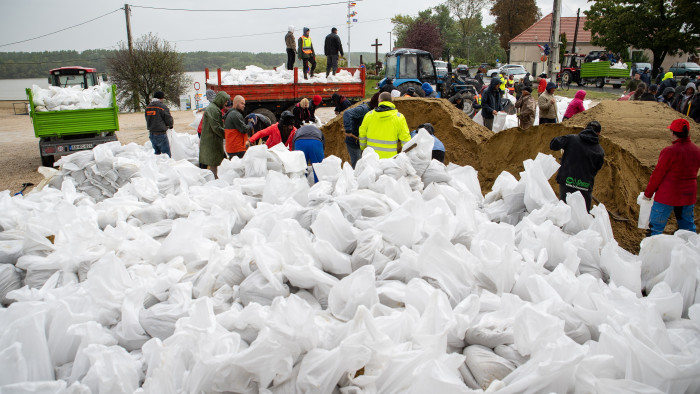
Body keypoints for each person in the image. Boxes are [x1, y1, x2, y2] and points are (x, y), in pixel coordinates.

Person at [643, 119, 700, 236]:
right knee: (688, 228)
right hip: (688, 195)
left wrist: (648, 194)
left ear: (673, 133)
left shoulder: (669, 152)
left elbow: (657, 175)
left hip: (667, 195)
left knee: (656, 228)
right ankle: (691, 251)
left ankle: (653, 252)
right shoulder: (697, 151)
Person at [550, 121, 605, 211]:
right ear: (598, 133)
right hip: (584, 185)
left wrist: (563, 141)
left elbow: (553, 144)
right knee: (582, 215)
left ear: (585, 128)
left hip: (567, 182)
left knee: (564, 212)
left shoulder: (572, 139)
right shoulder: (599, 151)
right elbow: (597, 168)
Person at [359, 91, 411, 159]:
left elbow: (362, 134)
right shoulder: (399, 117)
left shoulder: (369, 115)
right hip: (390, 159)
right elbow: (405, 138)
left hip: (371, 158)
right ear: (391, 102)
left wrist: (363, 147)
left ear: (380, 100)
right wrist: (407, 155)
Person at [199, 91, 230, 179]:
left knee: (215, 161)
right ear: (221, 100)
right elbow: (216, 127)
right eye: (225, 100)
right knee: (214, 161)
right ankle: (215, 180)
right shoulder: (214, 110)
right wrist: (227, 135)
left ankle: (215, 178)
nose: (226, 103)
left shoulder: (214, 108)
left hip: (211, 140)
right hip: (212, 141)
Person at [342, 100, 374, 168]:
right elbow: (347, 113)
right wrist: (348, 130)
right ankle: (355, 177)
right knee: (357, 164)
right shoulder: (364, 109)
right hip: (354, 142)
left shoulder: (373, 112)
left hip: (363, 142)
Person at [145, 91, 174, 157]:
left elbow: (147, 118)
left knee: (157, 154)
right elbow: (168, 118)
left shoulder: (148, 107)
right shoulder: (162, 106)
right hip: (160, 134)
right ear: (161, 98)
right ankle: (167, 166)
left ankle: (158, 166)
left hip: (152, 134)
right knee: (166, 155)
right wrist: (170, 126)